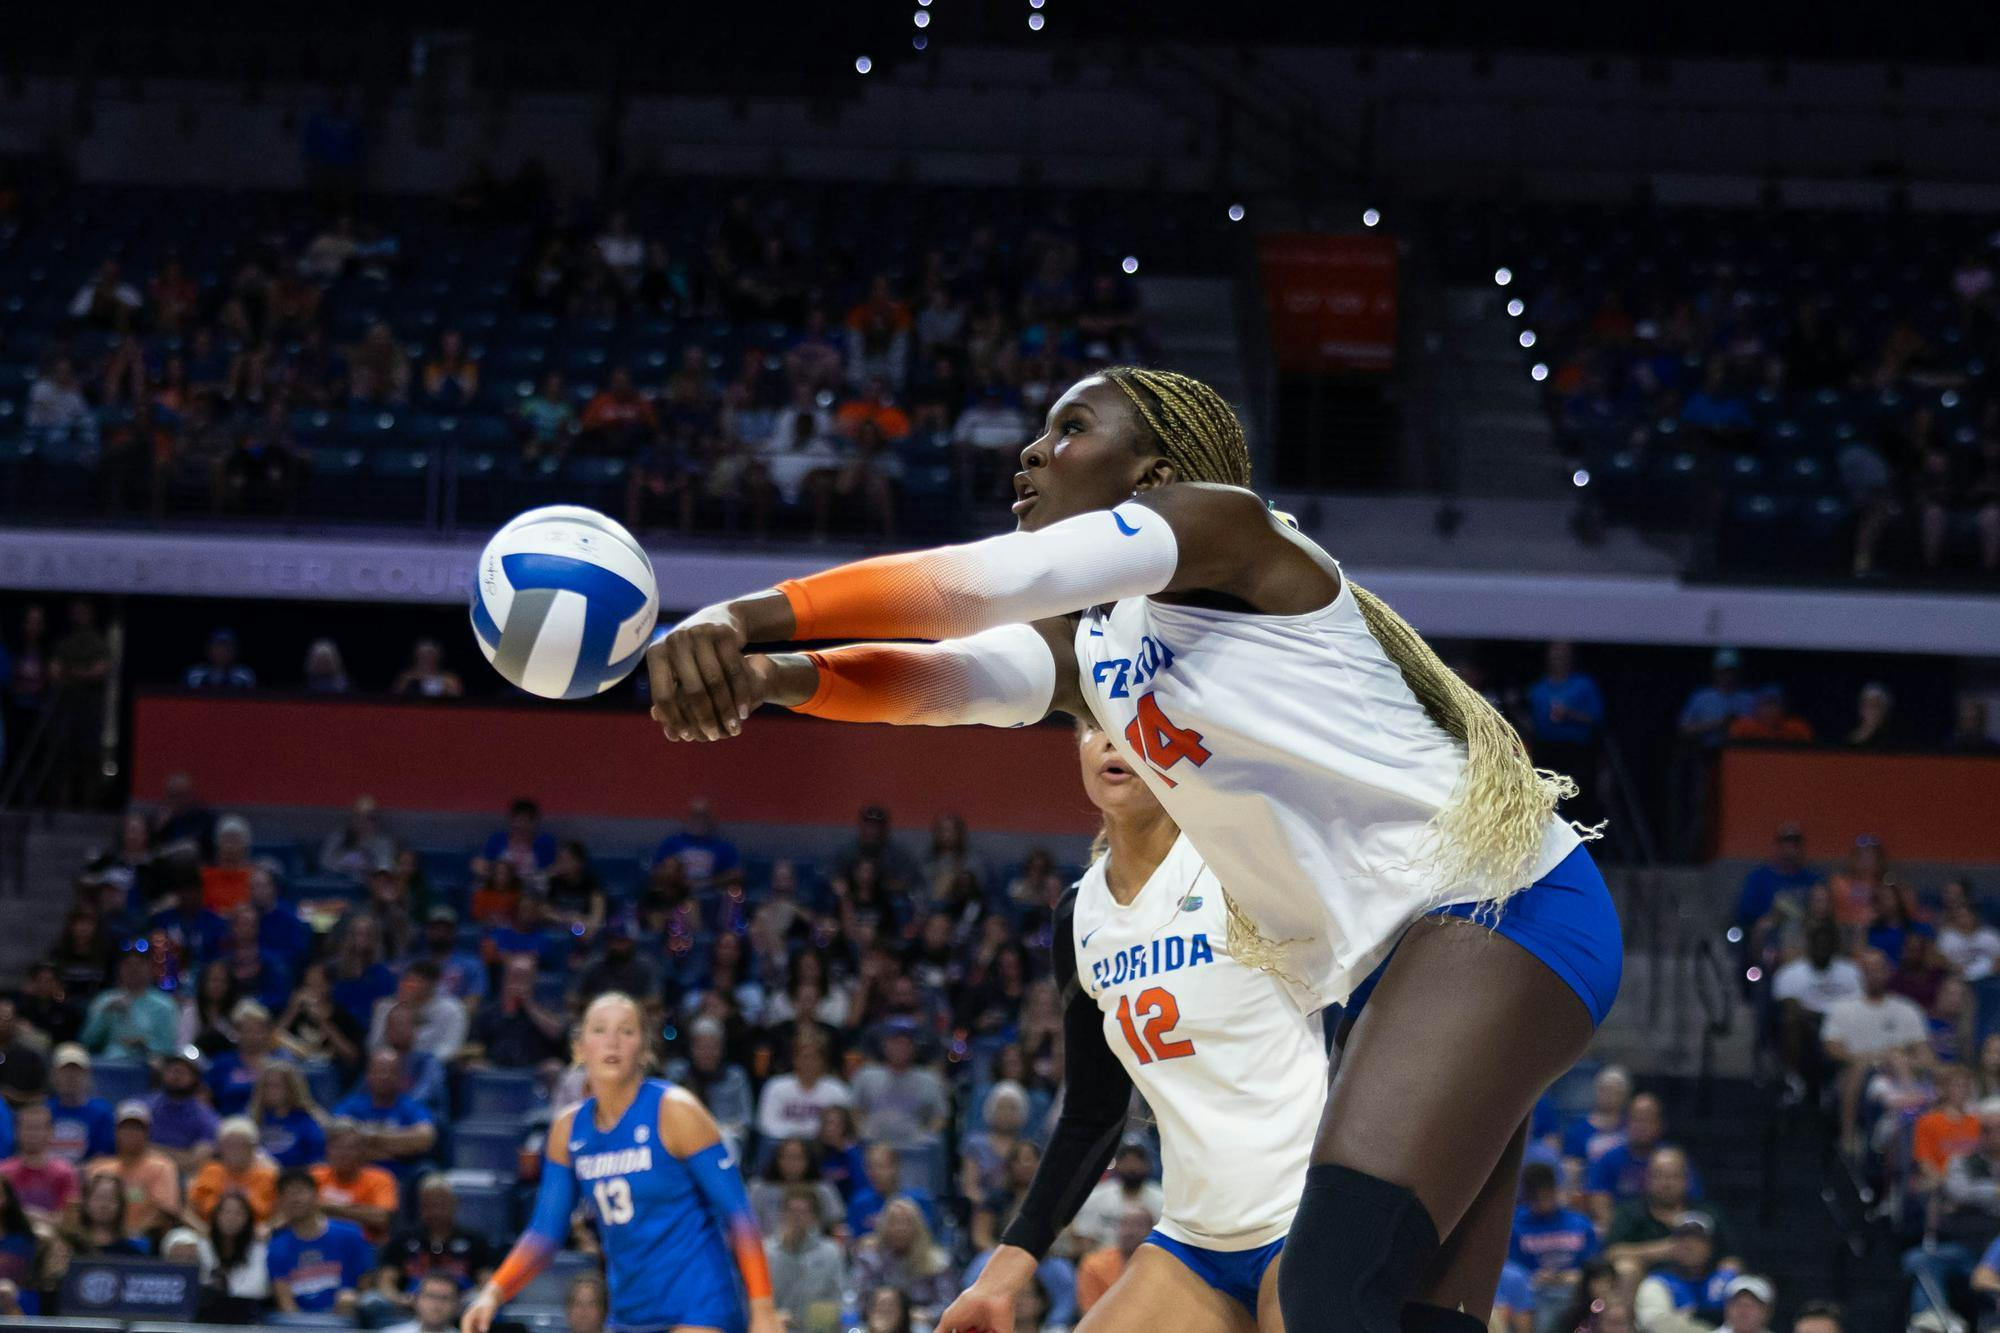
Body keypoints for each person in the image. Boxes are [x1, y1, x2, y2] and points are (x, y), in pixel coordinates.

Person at [649, 364, 1624, 1332]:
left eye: (1071, 428)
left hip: (1501, 913)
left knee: (1325, 1290)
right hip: (1413, 970)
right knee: (1405, 1319)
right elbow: (942, 681)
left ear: (1153, 476)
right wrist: (766, 677)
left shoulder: (1233, 534)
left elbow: (978, 584)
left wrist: (734, 614)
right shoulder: (1103, 647)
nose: (1033, 450)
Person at [946, 717, 1326, 1333]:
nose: (1112, 740)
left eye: (1132, 720)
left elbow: (1364, 998)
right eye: (1095, 723)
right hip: (1194, 1239)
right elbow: (1092, 1116)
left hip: (1309, 1218)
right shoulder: (1080, 914)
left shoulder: (1241, 860)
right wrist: (1000, 1278)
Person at [460, 991, 781, 1333]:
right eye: (599, 1030)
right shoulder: (568, 1130)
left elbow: (740, 1214)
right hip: (630, 1309)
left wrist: (763, 1308)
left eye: (626, 1031)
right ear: (580, 1046)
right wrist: (493, 1292)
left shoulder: (675, 1110)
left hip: (700, 1304)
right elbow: (545, 1232)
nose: (612, 1041)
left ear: (644, 1049)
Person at [1822, 948, 1933, 1153]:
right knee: (1859, 1067)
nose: (1874, 974)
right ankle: (1849, 1137)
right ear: (1860, 973)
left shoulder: (1906, 1008)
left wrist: (1906, 1059)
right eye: (1868, 969)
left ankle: (1919, 1130)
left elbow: (1924, 1053)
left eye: (1878, 969)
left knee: (1899, 1058)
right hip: (1861, 1072)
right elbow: (1831, 1048)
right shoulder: (1843, 1008)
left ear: (1888, 971)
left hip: (1900, 1071)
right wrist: (1867, 1058)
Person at [269, 1165, 376, 1315]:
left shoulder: (350, 1234)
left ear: (316, 1195)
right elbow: (285, 1302)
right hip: (300, 1326)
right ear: (280, 1202)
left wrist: (354, 1304)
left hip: (349, 1320)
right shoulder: (277, 1245)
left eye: (300, 1191)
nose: (294, 1199)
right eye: (287, 1194)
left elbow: (366, 1286)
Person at [377, 1174, 494, 1301]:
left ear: (454, 1204)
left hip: (460, 1306)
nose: (436, 1211)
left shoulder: (474, 1240)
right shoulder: (402, 1239)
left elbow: (487, 1282)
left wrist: (461, 1301)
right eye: (430, 1205)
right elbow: (386, 1282)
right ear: (420, 1207)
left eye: (442, 1204)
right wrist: (400, 1299)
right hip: (410, 1305)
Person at [85, 1100, 185, 1234]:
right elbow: (84, 1207)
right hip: (102, 1236)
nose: (131, 1133)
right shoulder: (98, 1168)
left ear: (147, 1132)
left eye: (137, 1128)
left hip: (146, 1240)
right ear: (116, 1131)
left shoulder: (162, 1166)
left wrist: (133, 1234)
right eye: (125, 1127)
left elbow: (165, 1211)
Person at [764, 1188, 846, 1333]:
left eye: (802, 1212)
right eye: (791, 1211)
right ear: (782, 1214)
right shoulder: (766, 1252)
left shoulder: (830, 1252)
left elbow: (834, 1298)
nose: (796, 1218)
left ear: (814, 1218)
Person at [80, 947, 180, 1058]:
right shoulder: (104, 1000)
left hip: (150, 1064)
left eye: (139, 965)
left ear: (150, 968)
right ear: (120, 969)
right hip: (109, 1062)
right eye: (128, 965)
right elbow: (86, 1042)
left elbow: (170, 1047)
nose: (133, 970)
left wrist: (145, 1043)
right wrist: (104, 1015)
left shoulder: (164, 1005)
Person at [313, 1118, 401, 1242]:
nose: (343, 1154)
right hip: (322, 1245)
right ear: (327, 1150)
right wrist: (359, 1213)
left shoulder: (380, 1178)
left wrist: (330, 1208)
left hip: (367, 1244)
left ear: (362, 1151)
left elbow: (381, 1217)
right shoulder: (314, 1176)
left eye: (350, 1148)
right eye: (337, 1147)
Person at [188, 1116, 279, 1222]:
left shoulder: (268, 1176)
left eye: (241, 1145)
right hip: (209, 1232)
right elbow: (190, 1209)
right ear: (221, 1148)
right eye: (230, 1145)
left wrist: (268, 1228)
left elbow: (280, 1213)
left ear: (252, 1148)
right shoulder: (210, 1171)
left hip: (258, 1234)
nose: (235, 1151)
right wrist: (204, 1231)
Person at [0, 1102, 79, 1222]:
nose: (32, 1134)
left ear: (50, 1132)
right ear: (16, 1131)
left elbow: (69, 1219)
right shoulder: (4, 1172)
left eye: (37, 1128)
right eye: (27, 1128)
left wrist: (38, 1218)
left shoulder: (64, 1173)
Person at [198, 1189, 272, 1315]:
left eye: (239, 1213)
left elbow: (258, 1290)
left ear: (248, 1219)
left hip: (247, 1315)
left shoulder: (259, 1248)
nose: (231, 1218)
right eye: (226, 1212)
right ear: (216, 1216)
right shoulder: (201, 1246)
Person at [1076, 1202, 1158, 1314]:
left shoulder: (1162, 1268)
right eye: (1125, 1224)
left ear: (1152, 1231)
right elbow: (1088, 1314)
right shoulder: (1094, 1265)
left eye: (1138, 1225)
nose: (1130, 1231)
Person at [249, 1062, 328, 1169]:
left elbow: (317, 1164)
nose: (270, 1091)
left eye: (276, 1086)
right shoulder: (253, 1120)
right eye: (266, 1086)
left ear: (291, 1088)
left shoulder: (309, 1121)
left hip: (296, 1181)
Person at [45, 1043, 115, 1165]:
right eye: (65, 1072)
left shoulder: (102, 1112)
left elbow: (104, 1156)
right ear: (55, 1075)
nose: (70, 1077)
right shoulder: (44, 1110)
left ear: (87, 1076)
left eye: (76, 1072)